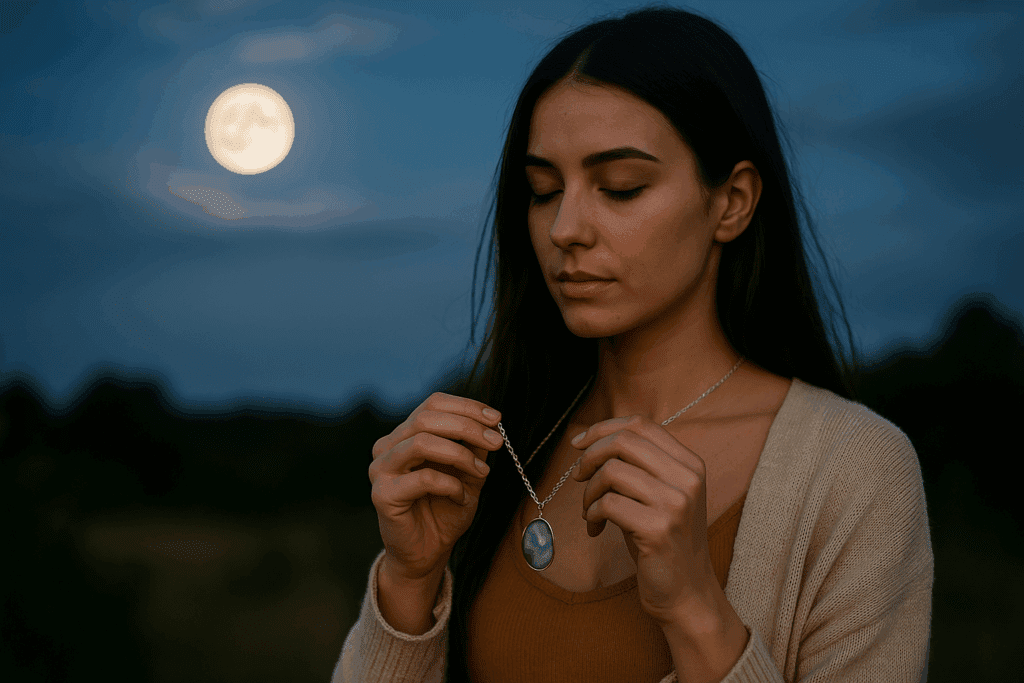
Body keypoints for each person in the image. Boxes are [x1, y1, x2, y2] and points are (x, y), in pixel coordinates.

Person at [333, 5, 933, 682]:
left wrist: (696, 607)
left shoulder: (852, 469)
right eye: (543, 190)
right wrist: (409, 583)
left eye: (621, 188)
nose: (566, 227)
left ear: (732, 201)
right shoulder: (497, 451)